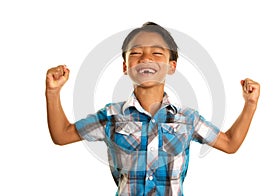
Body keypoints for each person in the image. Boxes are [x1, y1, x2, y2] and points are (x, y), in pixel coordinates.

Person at [45, 22, 260, 196]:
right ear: (125, 67)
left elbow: (230, 143)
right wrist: (52, 92)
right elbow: (61, 135)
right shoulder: (111, 116)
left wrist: (250, 104)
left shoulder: (187, 119)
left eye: (157, 53)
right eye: (136, 53)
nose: (146, 58)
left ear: (172, 66)